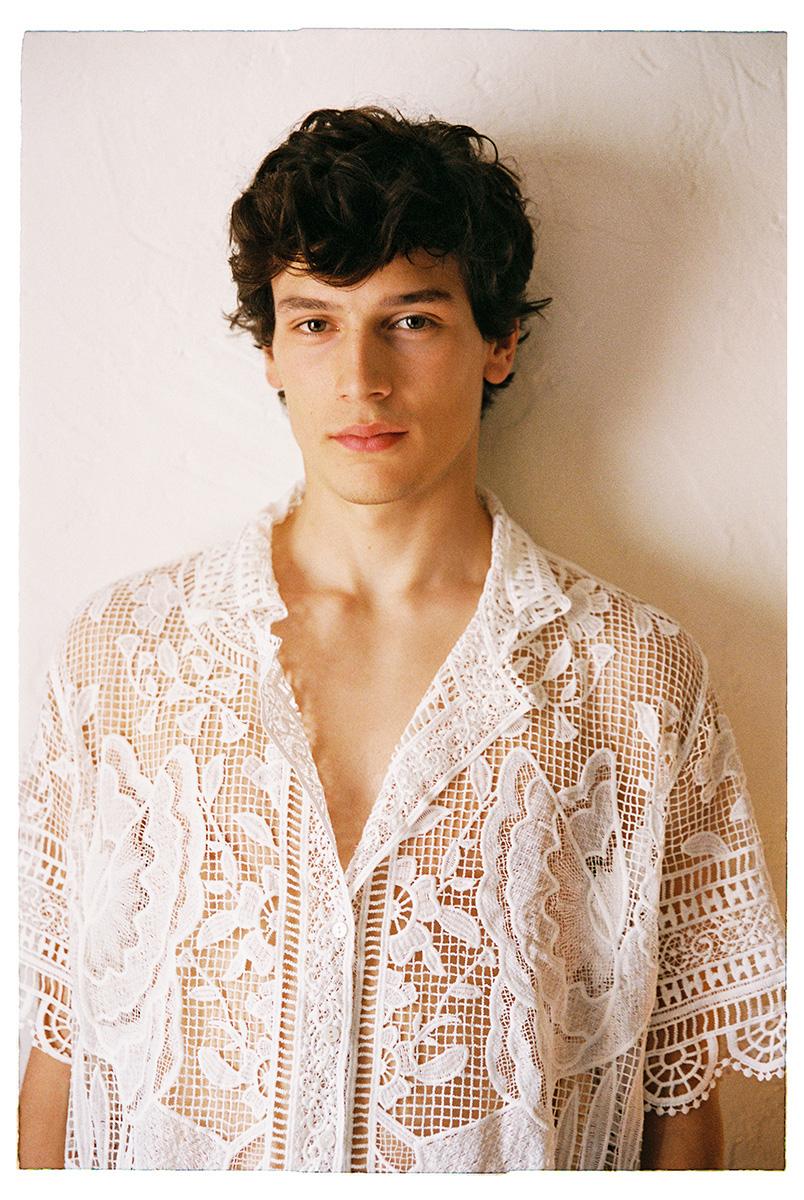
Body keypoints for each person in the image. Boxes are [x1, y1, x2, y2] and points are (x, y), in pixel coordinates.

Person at [18, 107, 785, 1172]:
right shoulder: (122, 656)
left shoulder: (633, 676)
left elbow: (679, 1093)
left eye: (412, 320)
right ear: (270, 350)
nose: (361, 379)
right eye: (315, 322)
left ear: (498, 343)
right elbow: (64, 1052)